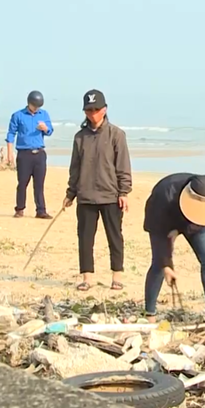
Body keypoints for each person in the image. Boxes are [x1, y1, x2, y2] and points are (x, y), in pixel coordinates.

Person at [63, 89, 132, 292]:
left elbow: (123, 166)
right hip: (85, 196)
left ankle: (117, 276)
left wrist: (124, 192)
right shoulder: (80, 137)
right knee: (85, 238)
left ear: (104, 110)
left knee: (115, 236)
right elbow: (74, 168)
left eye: (96, 109)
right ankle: (87, 277)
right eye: (89, 110)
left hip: (111, 195)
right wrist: (70, 193)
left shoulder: (116, 135)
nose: (92, 113)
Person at [143, 173, 205, 325]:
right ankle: (150, 314)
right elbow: (159, 234)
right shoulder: (164, 194)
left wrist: (181, 230)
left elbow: (204, 216)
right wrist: (167, 265)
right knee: (159, 265)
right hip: (161, 220)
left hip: (194, 221)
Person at [6, 90, 54, 219]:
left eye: (38, 106)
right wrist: (10, 153)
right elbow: (11, 134)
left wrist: (45, 128)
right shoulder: (18, 115)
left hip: (39, 153)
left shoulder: (44, 115)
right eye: (34, 106)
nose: (36, 108)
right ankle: (19, 209)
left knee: (39, 184)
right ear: (29, 103)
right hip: (24, 154)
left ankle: (41, 210)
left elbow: (50, 131)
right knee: (22, 183)